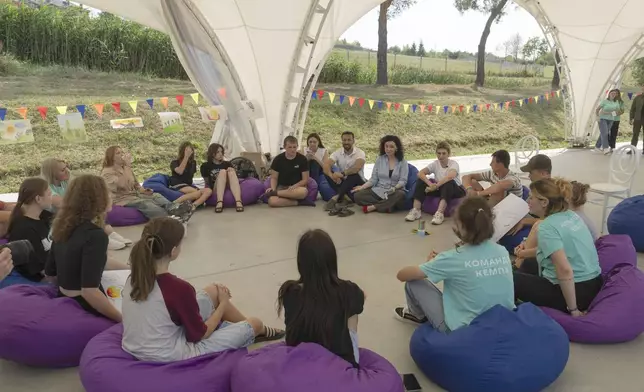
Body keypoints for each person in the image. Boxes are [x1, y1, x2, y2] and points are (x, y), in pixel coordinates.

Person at [121, 217, 285, 362]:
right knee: (255, 322)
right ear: (173, 251)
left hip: (139, 346)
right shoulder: (179, 288)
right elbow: (200, 335)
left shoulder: (134, 278)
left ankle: (245, 330)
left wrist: (219, 299)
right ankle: (256, 330)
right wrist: (222, 305)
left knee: (213, 290)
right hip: (171, 354)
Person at [394, 196, 515, 332]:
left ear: (460, 226)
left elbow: (402, 275)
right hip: (503, 322)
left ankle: (417, 315)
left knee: (413, 283)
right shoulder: (501, 251)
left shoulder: (452, 258)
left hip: (464, 331)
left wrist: (431, 265)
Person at [513, 178, 602, 315]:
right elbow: (557, 249)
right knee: (530, 262)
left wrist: (573, 309)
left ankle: (513, 312)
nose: (528, 201)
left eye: (531, 197)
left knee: (510, 279)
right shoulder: (571, 215)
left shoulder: (547, 227)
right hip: (594, 284)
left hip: (576, 293)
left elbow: (564, 270)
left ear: (544, 202)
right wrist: (524, 253)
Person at [278, 229, 364, 368]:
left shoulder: (289, 290)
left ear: (301, 262)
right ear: (332, 260)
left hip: (299, 361)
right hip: (339, 366)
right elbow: (361, 298)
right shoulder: (348, 290)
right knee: (353, 312)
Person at [45, 175, 125, 322]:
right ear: (97, 199)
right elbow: (89, 291)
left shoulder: (62, 226)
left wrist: (129, 268)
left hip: (64, 298)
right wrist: (122, 320)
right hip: (84, 305)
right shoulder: (95, 236)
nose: (111, 195)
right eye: (107, 192)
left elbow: (51, 274)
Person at [41, 157, 132, 250]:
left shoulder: (64, 183)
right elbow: (66, 204)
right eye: (63, 170)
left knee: (95, 214)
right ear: (52, 173)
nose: (67, 171)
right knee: (88, 213)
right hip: (59, 220)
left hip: (71, 215)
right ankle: (104, 239)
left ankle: (111, 235)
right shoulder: (48, 188)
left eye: (66, 167)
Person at [100, 146, 193, 222]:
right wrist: (128, 166)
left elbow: (136, 184)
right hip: (122, 199)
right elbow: (121, 185)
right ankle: (167, 219)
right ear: (111, 157)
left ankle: (175, 209)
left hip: (134, 194)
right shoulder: (107, 172)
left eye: (122, 152)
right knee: (145, 203)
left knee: (156, 196)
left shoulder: (125, 168)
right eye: (118, 153)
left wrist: (144, 191)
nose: (122, 155)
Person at [405, 141, 465, 225]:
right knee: (421, 180)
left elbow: (450, 176)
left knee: (448, 182)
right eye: (439, 153)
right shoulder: (435, 164)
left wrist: (436, 186)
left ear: (448, 154)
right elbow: (420, 173)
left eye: (444, 153)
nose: (441, 156)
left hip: (456, 189)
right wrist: (430, 184)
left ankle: (439, 213)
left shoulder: (453, 164)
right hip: (440, 188)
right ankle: (416, 210)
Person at [7, 177, 53, 283]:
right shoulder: (24, 230)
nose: (52, 197)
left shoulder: (44, 216)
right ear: (38, 199)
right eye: (49, 194)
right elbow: (38, 270)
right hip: (40, 280)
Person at [353, 135, 408, 214]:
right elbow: (373, 179)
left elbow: (403, 181)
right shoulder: (379, 159)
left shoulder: (403, 162)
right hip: (379, 190)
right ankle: (387, 206)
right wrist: (362, 187)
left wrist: (394, 188)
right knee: (357, 196)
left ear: (397, 148)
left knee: (401, 194)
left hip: (394, 192)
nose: (388, 149)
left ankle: (373, 207)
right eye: (386, 146)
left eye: (391, 147)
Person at [508, 154, 552, 236]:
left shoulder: (552, 194)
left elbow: (554, 221)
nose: (529, 176)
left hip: (536, 221)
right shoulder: (538, 187)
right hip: (530, 214)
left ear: (543, 173)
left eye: (531, 173)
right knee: (523, 189)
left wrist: (526, 221)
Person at [322, 131, 366, 212]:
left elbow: (357, 168)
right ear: (342, 141)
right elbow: (326, 165)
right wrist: (333, 176)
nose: (346, 142)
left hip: (358, 184)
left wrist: (341, 174)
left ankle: (337, 197)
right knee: (327, 172)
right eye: (344, 140)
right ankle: (345, 197)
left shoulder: (360, 153)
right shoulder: (338, 152)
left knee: (353, 175)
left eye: (349, 140)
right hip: (344, 183)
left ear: (353, 141)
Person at [265, 136, 313, 208]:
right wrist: (273, 189)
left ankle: (277, 194)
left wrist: (295, 186)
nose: (293, 150)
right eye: (290, 147)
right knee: (272, 201)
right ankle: (298, 202)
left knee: (303, 192)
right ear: (284, 147)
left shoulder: (302, 159)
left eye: (294, 147)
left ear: (297, 147)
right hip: (282, 187)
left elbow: (305, 179)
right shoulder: (278, 159)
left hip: (297, 187)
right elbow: (274, 178)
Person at [200, 143, 244, 213]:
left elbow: (234, 179)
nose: (220, 154)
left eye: (221, 152)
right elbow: (207, 183)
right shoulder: (205, 166)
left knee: (231, 171)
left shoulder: (227, 164)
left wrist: (232, 170)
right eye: (218, 152)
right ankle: (219, 201)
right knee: (223, 171)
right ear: (212, 153)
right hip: (216, 187)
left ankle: (238, 201)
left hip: (228, 185)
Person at [169, 142, 212, 208]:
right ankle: (173, 204)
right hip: (177, 184)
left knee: (208, 191)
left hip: (188, 184)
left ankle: (193, 206)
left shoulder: (193, 162)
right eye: (186, 150)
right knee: (197, 192)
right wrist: (186, 157)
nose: (189, 152)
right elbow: (180, 172)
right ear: (182, 150)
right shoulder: (174, 162)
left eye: (190, 150)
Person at [593, 89, 621, 154]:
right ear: (609, 94)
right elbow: (597, 109)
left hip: (611, 120)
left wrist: (611, 113)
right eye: (612, 93)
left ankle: (597, 146)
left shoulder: (616, 102)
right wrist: (597, 117)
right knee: (605, 133)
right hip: (602, 119)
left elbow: (618, 112)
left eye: (615, 93)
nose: (613, 94)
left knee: (603, 133)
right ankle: (605, 148)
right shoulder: (605, 101)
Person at [629, 84, 644, 154]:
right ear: (642, 88)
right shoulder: (637, 98)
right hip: (637, 119)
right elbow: (632, 109)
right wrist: (631, 118)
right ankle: (632, 149)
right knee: (635, 134)